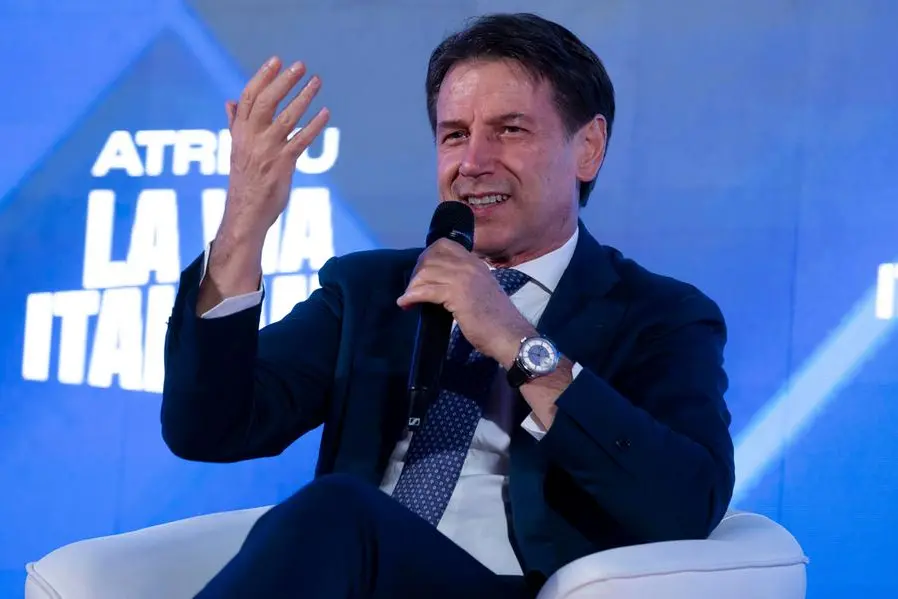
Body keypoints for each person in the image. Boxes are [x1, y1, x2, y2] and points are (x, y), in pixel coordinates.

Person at [161, 12, 735, 599]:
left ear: (587, 148)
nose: (472, 162)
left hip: (512, 588)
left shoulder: (659, 315)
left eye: (510, 130)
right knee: (338, 517)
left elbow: (686, 504)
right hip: (356, 574)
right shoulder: (372, 290)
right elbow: (207, 429)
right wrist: (244, 225)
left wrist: (515, 341)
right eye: (455, 134)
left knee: (337, 510)